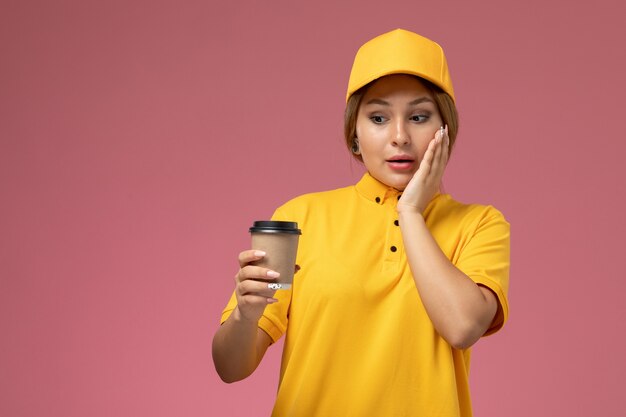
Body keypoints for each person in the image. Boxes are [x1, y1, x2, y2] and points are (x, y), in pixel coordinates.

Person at [212, 28, 510, 417]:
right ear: (354, 133)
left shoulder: (479, 224)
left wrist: (411, 214)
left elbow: (463, 326)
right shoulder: (298, 218)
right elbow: (230, 368)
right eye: (379, 117)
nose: (400, 136)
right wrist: (245, 316)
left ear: (445, 130)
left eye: (419, 117)